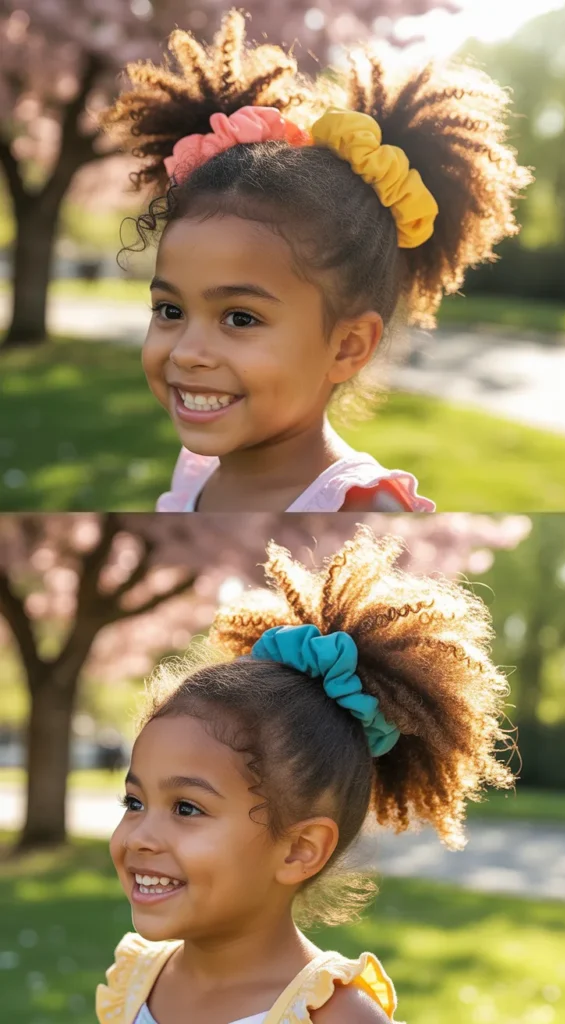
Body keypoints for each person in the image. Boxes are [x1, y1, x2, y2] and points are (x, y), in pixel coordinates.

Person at [100, 10, 530, 513]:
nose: (187, 352)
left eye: (240, 317)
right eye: (169, 311)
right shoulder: (196, 476)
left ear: (347, 346)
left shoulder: (360, 510)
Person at [96, 526, 515, 1024]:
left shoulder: (332, 1016)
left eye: (187, 808)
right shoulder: (137, 982)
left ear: (299, 849)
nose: (140, 836)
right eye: (134, 803)